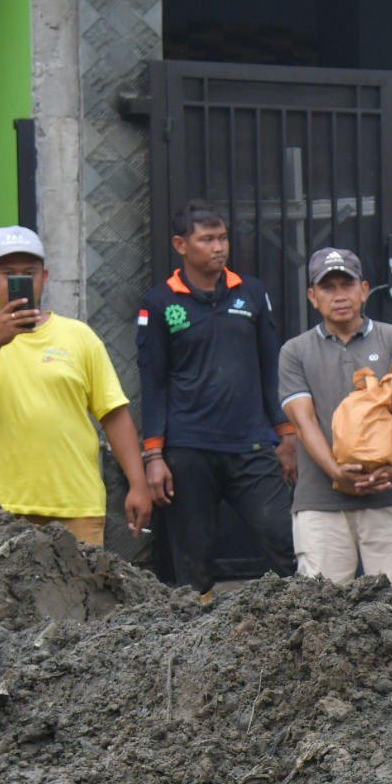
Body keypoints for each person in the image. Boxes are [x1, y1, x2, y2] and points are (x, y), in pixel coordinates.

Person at [0, 226, 151, 545]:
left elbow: (113, 413)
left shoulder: (79, 336)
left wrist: (138, 483)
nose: (19, 281)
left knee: (81, 594)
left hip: (75, 507)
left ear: (44, 276)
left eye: (29, 272)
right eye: (8, 273)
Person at [134, 199, 297, 592]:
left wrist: (287, 434)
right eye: (207, 239)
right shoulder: (159, 303)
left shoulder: (251, 293)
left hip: (251, 443)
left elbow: (269, 367)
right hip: (188, 448)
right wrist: (153, 456)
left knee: (286, 541)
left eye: (222, 238)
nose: (219, 247)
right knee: (194, 560)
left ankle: (306, 622)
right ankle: (197, 640)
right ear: (180, 244)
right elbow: (152, 382)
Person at [278, 248, 392, 589]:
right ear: (312, 297)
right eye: (327, 287)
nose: (339, 295)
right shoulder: (295, 351)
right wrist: (335, 472)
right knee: (320, 616)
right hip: (320, 501)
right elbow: (303, 423)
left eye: (347, 285)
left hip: (391, 493)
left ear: (363, 290)